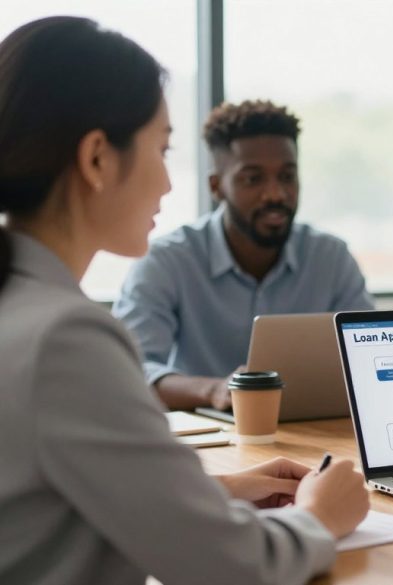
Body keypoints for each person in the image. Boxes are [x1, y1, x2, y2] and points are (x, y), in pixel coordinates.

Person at [0, 17, 369, 584]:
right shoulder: (65, 339)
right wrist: (320, 516)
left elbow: (60, 497)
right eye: (162, 149)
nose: (170, 186)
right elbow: (229, 568)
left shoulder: (21, 307)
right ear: (98, 158)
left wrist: (212, 490)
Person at [113, 99, 374, 411]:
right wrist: (214, 390)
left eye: (287, 176)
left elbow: (371, 358)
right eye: (253, 179)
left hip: (314, 434)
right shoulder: (167, 261)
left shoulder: (331, 258)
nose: (276, 193)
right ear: (217, 186)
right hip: (212, 439)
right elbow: (129, 372)